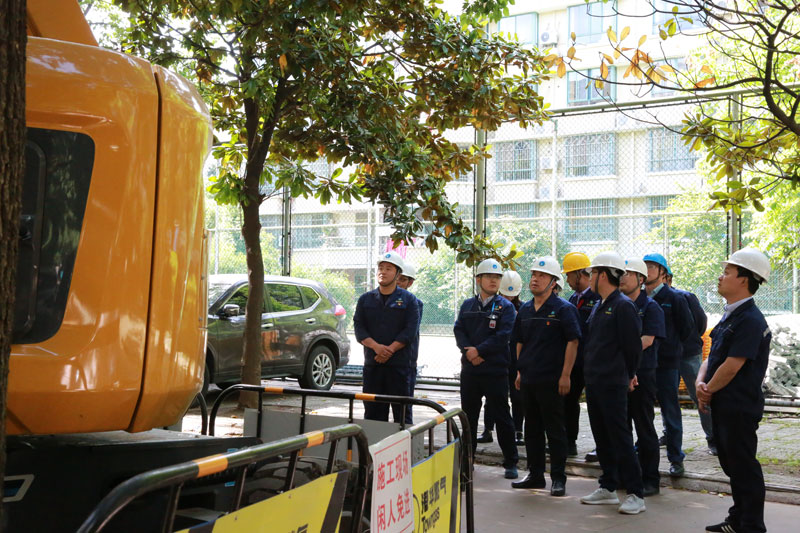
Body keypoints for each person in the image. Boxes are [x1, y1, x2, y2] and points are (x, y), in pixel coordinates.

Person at [697, 248, 772, 533]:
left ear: (744, 279)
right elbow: (713, 356)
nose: (720, 277)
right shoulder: (732, 316)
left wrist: (706, 391)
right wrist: (701, 381)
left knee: (743, 467)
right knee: (732, 465)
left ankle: (751, 525)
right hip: (723, 402)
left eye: (727, 272)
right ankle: (739, 518)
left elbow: (732, 365)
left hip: (739, 405)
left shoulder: (751, 320)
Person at [579, 251, 646, 515]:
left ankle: (635, 493)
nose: (589, 277)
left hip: (613, 382)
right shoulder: (600, 303)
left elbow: (632, 347)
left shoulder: (623, 306)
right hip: (596, 382)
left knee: (620, 437)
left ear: (603, 275)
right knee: (602, 436)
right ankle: (607, 487)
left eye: (592, 273)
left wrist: (630, 374)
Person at [511, 257, 580, 497]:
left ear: (554, 282)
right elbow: (520, 341)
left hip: (553, 381)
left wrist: (566, 375)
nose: (535, 279)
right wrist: (520, 371)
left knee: (555, 430)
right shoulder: (526, 310)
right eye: (533, 274)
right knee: (532, 429)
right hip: (529, 379)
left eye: (541, 275)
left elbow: (573, 341)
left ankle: (558, 479)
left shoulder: (564, 309)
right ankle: (535, 474)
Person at [454, 258, 519, 479]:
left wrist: (478, 351)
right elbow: (459, 330)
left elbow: (503, 336)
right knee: (468, 416)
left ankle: (511, 462)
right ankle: (466, 461)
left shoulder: (506, 307)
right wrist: (468, 352)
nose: (494, 280)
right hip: (471, 370)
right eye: (489, 276)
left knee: (502, 415)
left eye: (497, 277)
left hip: (495, 370)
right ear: (478, 279)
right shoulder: (467, 306)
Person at [353, 252, 420, 422]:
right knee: (373, 413)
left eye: (388, 268)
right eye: (380, 268)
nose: (383, 272)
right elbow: (359, 328)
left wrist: (389, 350)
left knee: (402, 415)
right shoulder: (365, 299)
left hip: (400, 366)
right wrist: (376, 347)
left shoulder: (410, 301)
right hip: (373, 365)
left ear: (398, 274)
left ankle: (405, 448)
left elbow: (410, 331)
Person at [643, 252, 693, 477]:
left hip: (667, 364)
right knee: (643, 411)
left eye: (652, 267)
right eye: (644, 266)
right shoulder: (638, 298)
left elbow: (687, 328)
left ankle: (676, 458)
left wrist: (671, 348)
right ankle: (643, 452)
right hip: (644, 364)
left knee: (670, 411)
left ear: (663, 273)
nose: (647, 270)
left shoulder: (675, 298)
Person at [621, 257, 666, 497]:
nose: (622, 277)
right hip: (619, 373)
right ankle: (626, 475)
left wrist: (619, 351)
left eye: (628, 273)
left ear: (640, 279)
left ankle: (650, 479)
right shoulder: (614, 305)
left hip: (642, 374)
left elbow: (648, 340)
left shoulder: (651, 307)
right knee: (621, 427)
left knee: (644, 426)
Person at [666, 271, 715, 455]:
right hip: (667, 357)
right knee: (668, 397)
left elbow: (701, 322)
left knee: (700, 394)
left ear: (668, 278)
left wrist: (690, 340)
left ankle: (713, 437)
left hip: (688, 353)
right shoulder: (651, 299)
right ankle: (668, 434)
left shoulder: (685, 297)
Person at [480, 270, 525, 446]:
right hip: (496, 358)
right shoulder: (491, 306)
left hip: (515, 358)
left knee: (517, 396)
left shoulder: (524, 308)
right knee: (492, 396)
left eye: (512, 296)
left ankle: (518, 431)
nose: (509, 299)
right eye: (506, 295)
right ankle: (488, 429)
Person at [562, 252, 600, 458]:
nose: (567, 280)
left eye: (569, 275)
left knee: (596, 405)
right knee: (569, 401)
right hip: (575, 362)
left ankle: (601, 446)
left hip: (593, 361)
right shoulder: (571, 299)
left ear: (578, 274)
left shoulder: (597, 298)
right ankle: (570, 442)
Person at [397, 262, 422, 425]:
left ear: (410, 283)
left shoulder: (415, 304)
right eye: (397, 278)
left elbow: (408, 332)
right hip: (380, 362)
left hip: (405, 362)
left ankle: (406, 444)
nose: (398, 282)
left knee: (403, 409)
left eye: (403, 280)